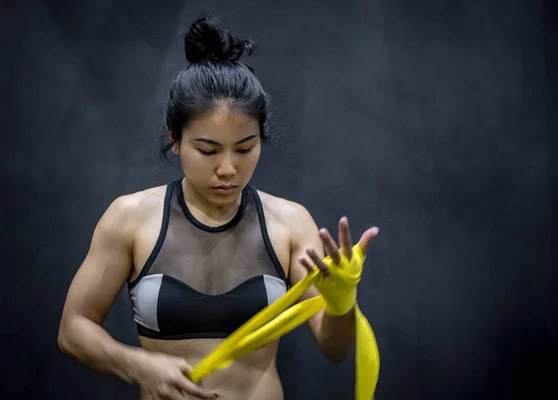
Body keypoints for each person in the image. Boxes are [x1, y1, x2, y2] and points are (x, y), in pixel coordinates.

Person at [58, 15, 379, 400]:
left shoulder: (290, 223)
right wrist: (136, 364)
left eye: (245, 149)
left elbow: (336, 347)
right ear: (175, 141)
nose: (228, 169)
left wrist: (342, 302)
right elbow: (73, 329)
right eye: (208, 150)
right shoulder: (130, 218)